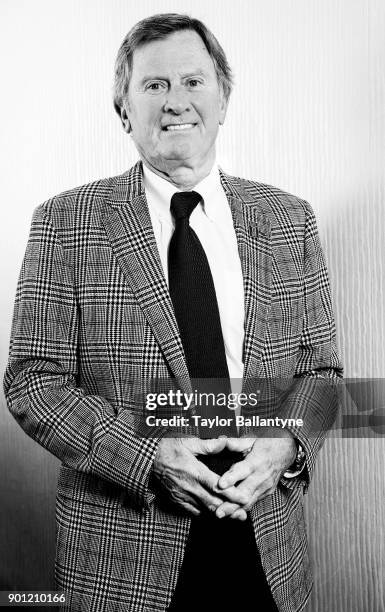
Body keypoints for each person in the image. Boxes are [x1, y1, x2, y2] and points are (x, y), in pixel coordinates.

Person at [3, 12, 342, 612]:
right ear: (125, 110)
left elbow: (321, 374)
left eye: (193, 81)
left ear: (223, 97)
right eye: (154, 85)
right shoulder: (63, 223)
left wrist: (288, 444)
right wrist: (145, 457)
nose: (176, 101)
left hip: (265, 540)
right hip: (124, 551)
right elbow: (32, 381)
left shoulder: (290, 220)